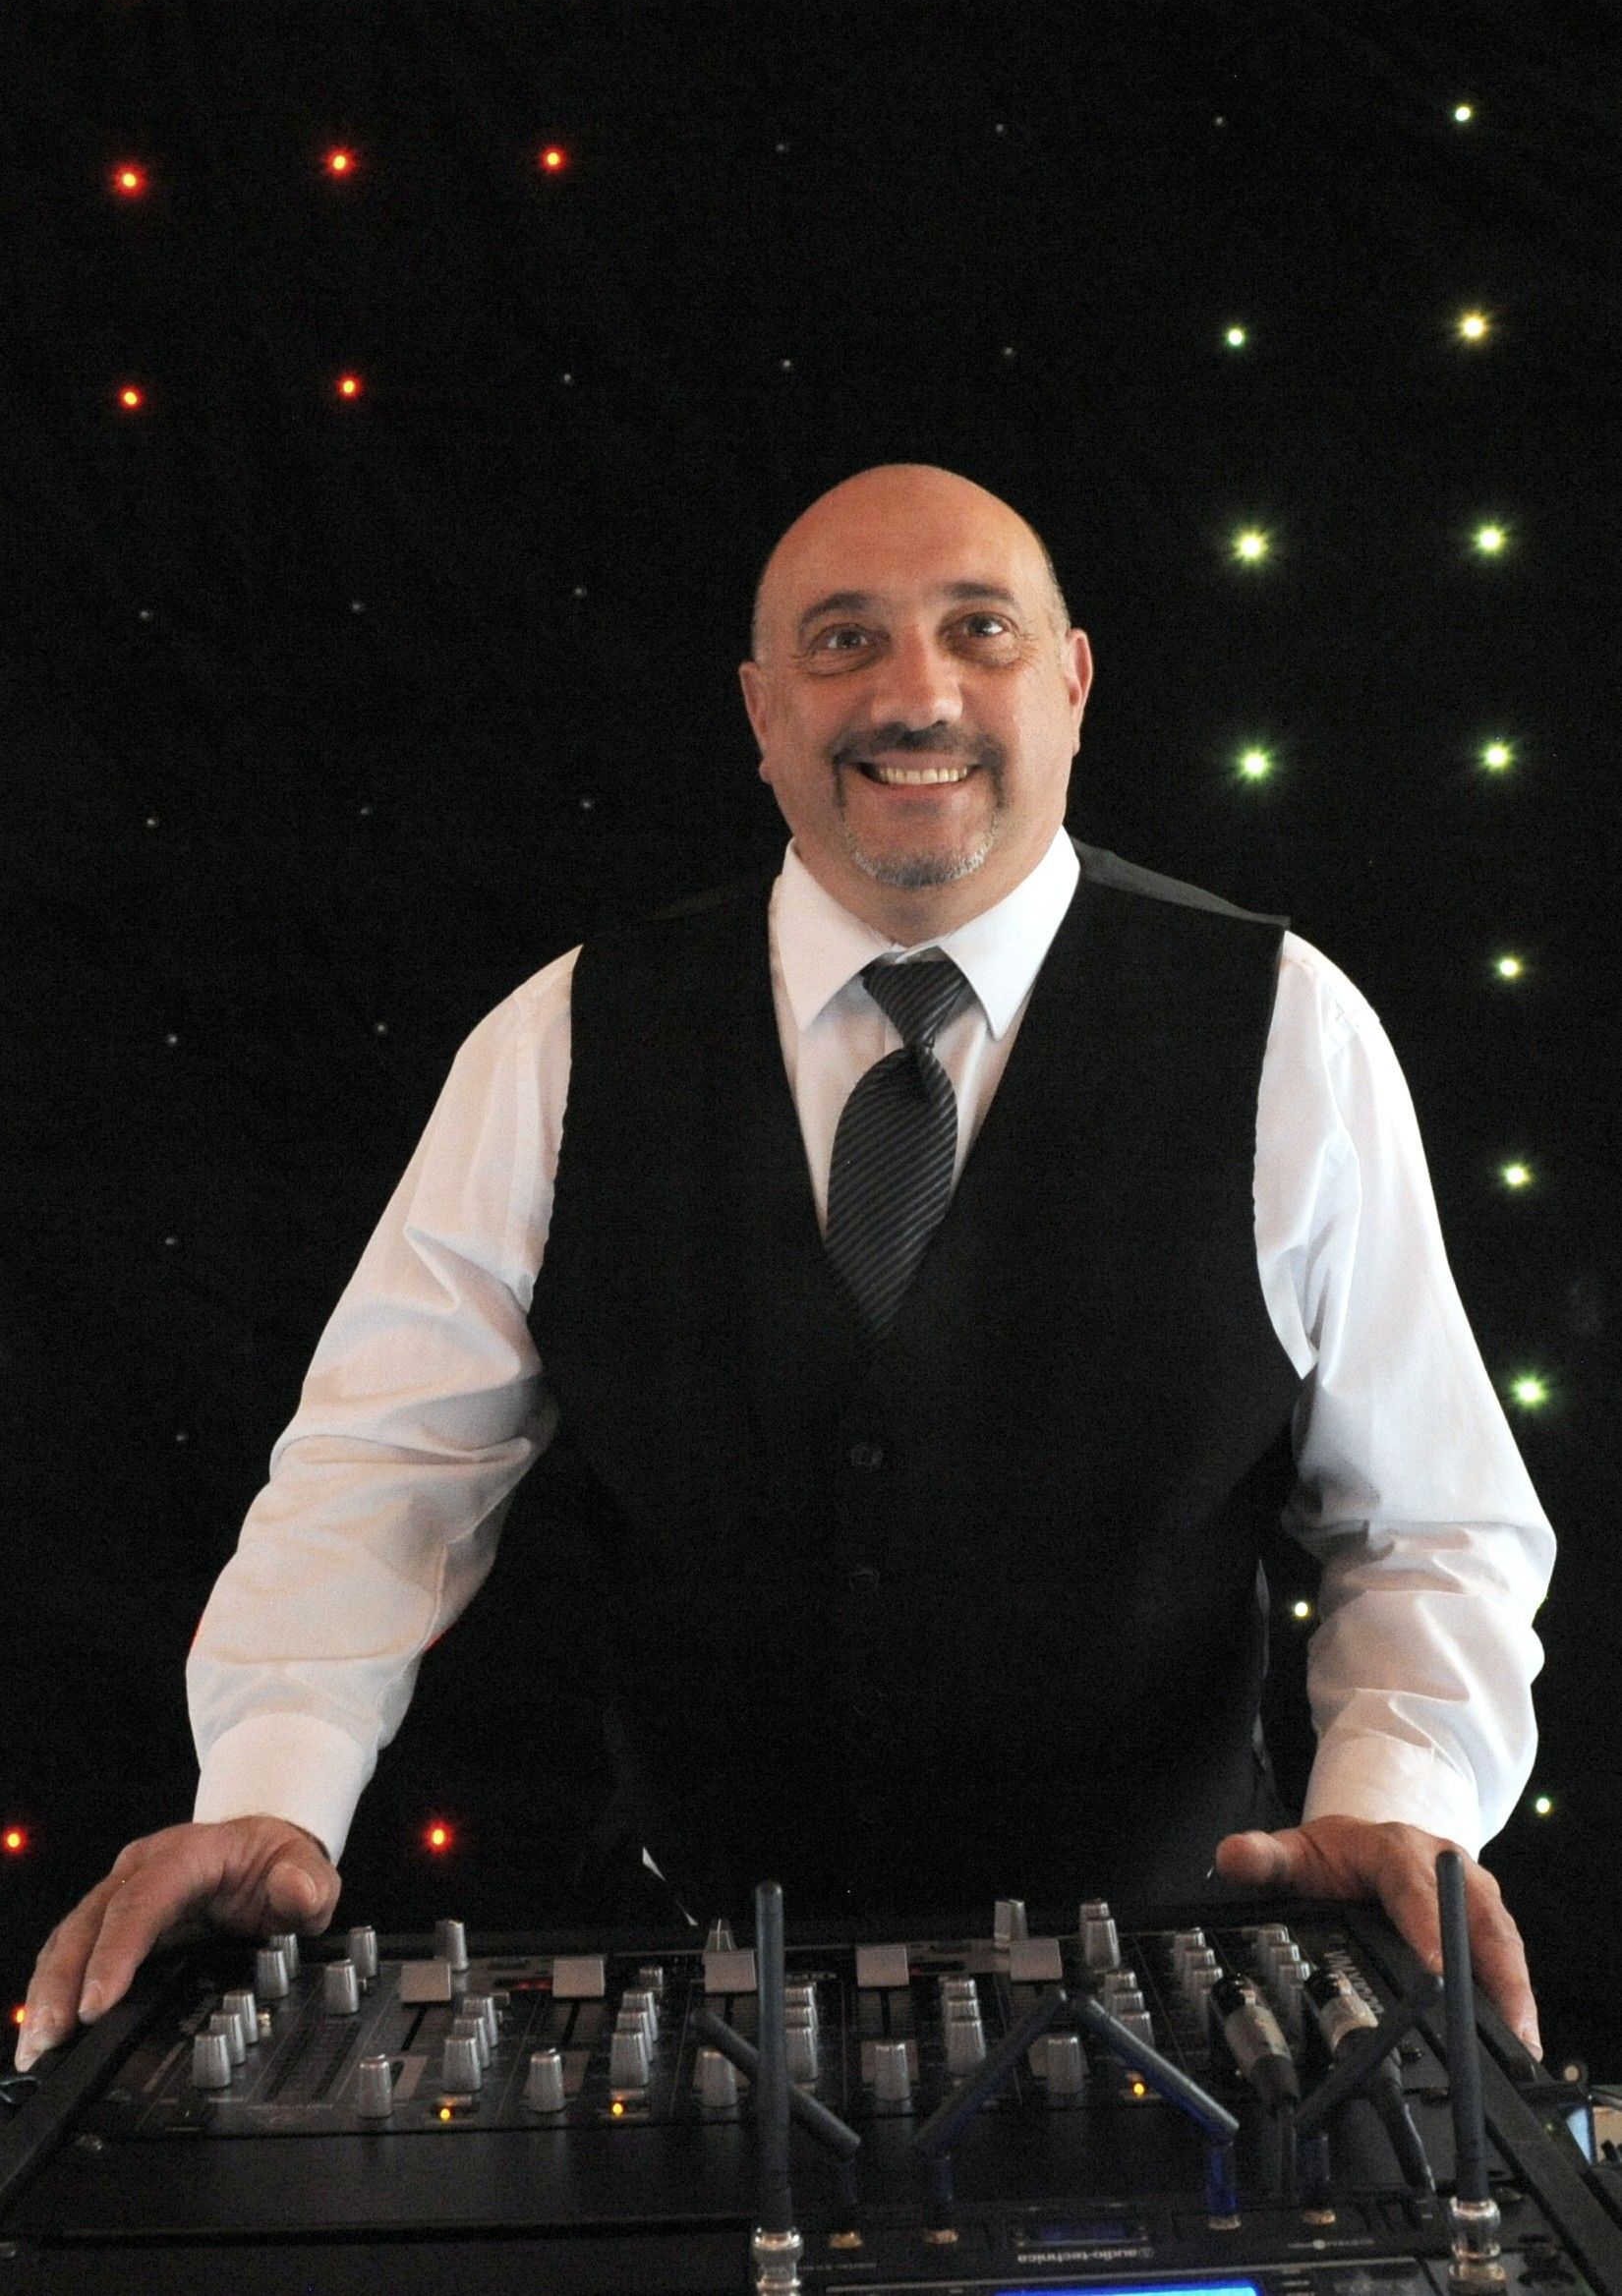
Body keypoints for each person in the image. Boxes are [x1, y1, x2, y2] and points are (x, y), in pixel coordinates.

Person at [17, 462, 1554, 2074]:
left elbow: (1427, 1523)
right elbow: (378, 1467)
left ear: (1073, 681)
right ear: (758, 711)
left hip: (1180, 2012)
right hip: (694, 2007)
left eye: (980, 629)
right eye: (842, 641)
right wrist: (267, 1786)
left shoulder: (1289, 1030)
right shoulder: (558, 1040)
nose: (916, 693)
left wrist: (1393, 1804)